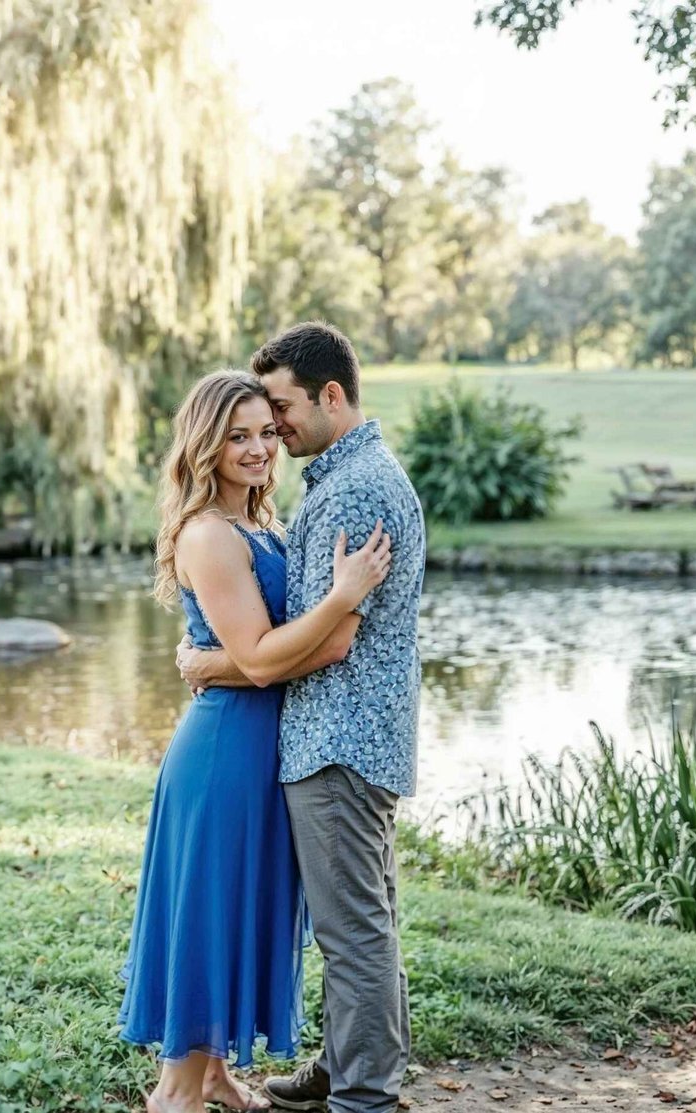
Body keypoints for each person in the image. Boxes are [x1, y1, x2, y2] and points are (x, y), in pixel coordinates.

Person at [118, 369, 393, 1113]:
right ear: (205, 445)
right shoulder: (208, 533)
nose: (258, 448)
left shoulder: (263, 525)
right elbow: (267, 653)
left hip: (263, 750)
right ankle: (180, 1091)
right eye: (237, 436)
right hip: (224, 759)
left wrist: (208, 660)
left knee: (235, 916)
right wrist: (342, 596)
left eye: (266, 432)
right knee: (210, 919)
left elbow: (251, 651)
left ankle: (214, 1077)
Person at [178, 323, 426, 1113]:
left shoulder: (351, 489)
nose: (274, 432)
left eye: (279, 411)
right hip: (349, 734)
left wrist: (213, 662)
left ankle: (363, 1095)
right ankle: (346, 1064)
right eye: (251, 426)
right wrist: (226, 658)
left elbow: (331, 639)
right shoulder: (344, 478)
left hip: (338, 737)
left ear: (328, 395)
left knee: (353, 929)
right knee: (364, 919)